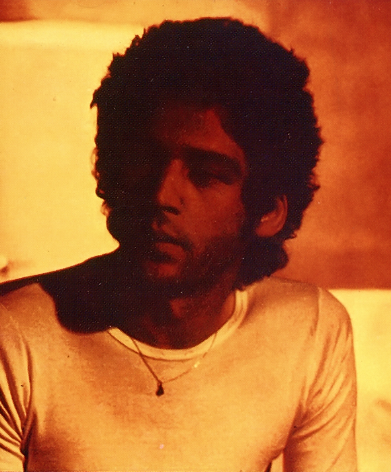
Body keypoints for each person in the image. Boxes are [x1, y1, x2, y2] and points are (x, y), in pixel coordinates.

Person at [0, 18, 357, 471]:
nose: (162, 195)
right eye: (144, 160)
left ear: (268, 210)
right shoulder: (15, 336)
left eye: (205, 175)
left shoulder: (309, 332)